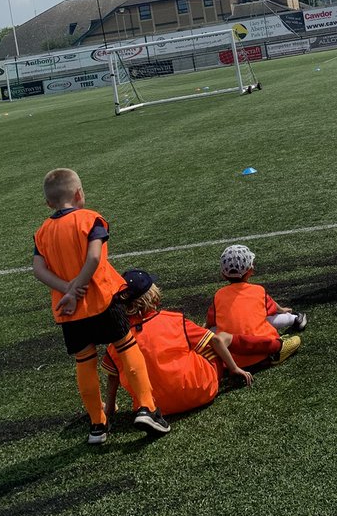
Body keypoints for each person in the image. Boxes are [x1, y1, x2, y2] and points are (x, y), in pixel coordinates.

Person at [32, 168, 170, 445]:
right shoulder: (90, 219)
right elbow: (94, 258)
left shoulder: (42, 232)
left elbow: (38, 270)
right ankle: (147, 407)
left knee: (84, 362)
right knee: (126, 347)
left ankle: (97, 424)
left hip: (68, 311)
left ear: (49, 203)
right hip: (101, 300)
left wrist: (67, 291)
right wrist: (79, 287)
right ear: (79, 194)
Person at [102, 270, 253, 418]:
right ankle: (262, 353)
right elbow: (215, 340)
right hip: (201, 392)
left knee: (123, 368)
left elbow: (112, 376)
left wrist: (109, 409)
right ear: (152, 294)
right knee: (211, 343)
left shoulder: (117, 341)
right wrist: (234, 368)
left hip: (153, 408)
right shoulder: (174, 320)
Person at [207, 245, 304, 368]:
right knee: (266, 319)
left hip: (230, 359)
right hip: (264, 351)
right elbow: (273, 309)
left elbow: (211, 321)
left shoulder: (218, 295)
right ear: (250, 270)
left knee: (213, 332)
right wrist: (283, 310)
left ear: (223, 274)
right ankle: (294, 319)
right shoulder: (258, 290)